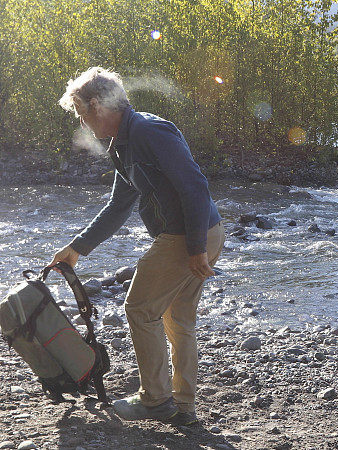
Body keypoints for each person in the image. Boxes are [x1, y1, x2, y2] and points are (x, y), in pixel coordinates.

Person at [48, 67, 224, 426]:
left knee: (140, 309)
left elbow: (194, 185)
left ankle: (156, 400)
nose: (84, 124)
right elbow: (118, 206)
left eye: (83, 114)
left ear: (97, 105)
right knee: (178, 318)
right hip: (198, 234)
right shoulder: (123, 145)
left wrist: (195, 248)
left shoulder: (148, 131)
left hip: (189, 236)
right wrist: (78, 247)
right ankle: (183, 406)